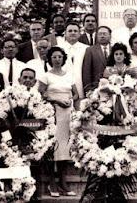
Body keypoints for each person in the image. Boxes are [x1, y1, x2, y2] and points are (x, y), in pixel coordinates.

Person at [38, 47, 78, 197]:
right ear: (50, 59)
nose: (57, 59)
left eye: (60, 57)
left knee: (65, 147)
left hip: (67, 113)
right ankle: (51, 183)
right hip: (52, 112)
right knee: (53, 147)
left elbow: (76, 94)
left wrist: (69, 100)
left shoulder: (69, 75)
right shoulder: (45, 76)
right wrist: (56, 99)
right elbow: (41, 94)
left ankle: (63, 182)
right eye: (54, 57)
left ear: (63, 58)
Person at [61, 21, 88, 100]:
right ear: (65, 33)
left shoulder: (86, 49)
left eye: (75, 31)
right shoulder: (58, 48)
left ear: (79, 34)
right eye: (70, 31)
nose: (73, 33)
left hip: (81, 87)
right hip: (63, 88)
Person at [82, 26, 112, 94]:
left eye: (104, 34)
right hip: (96, 89)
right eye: (100, 34)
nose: (102, 36)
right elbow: (86, 71)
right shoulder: (90, 50)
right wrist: (89, 90)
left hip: (114, 87)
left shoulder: (115, 49)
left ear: (110, 35)